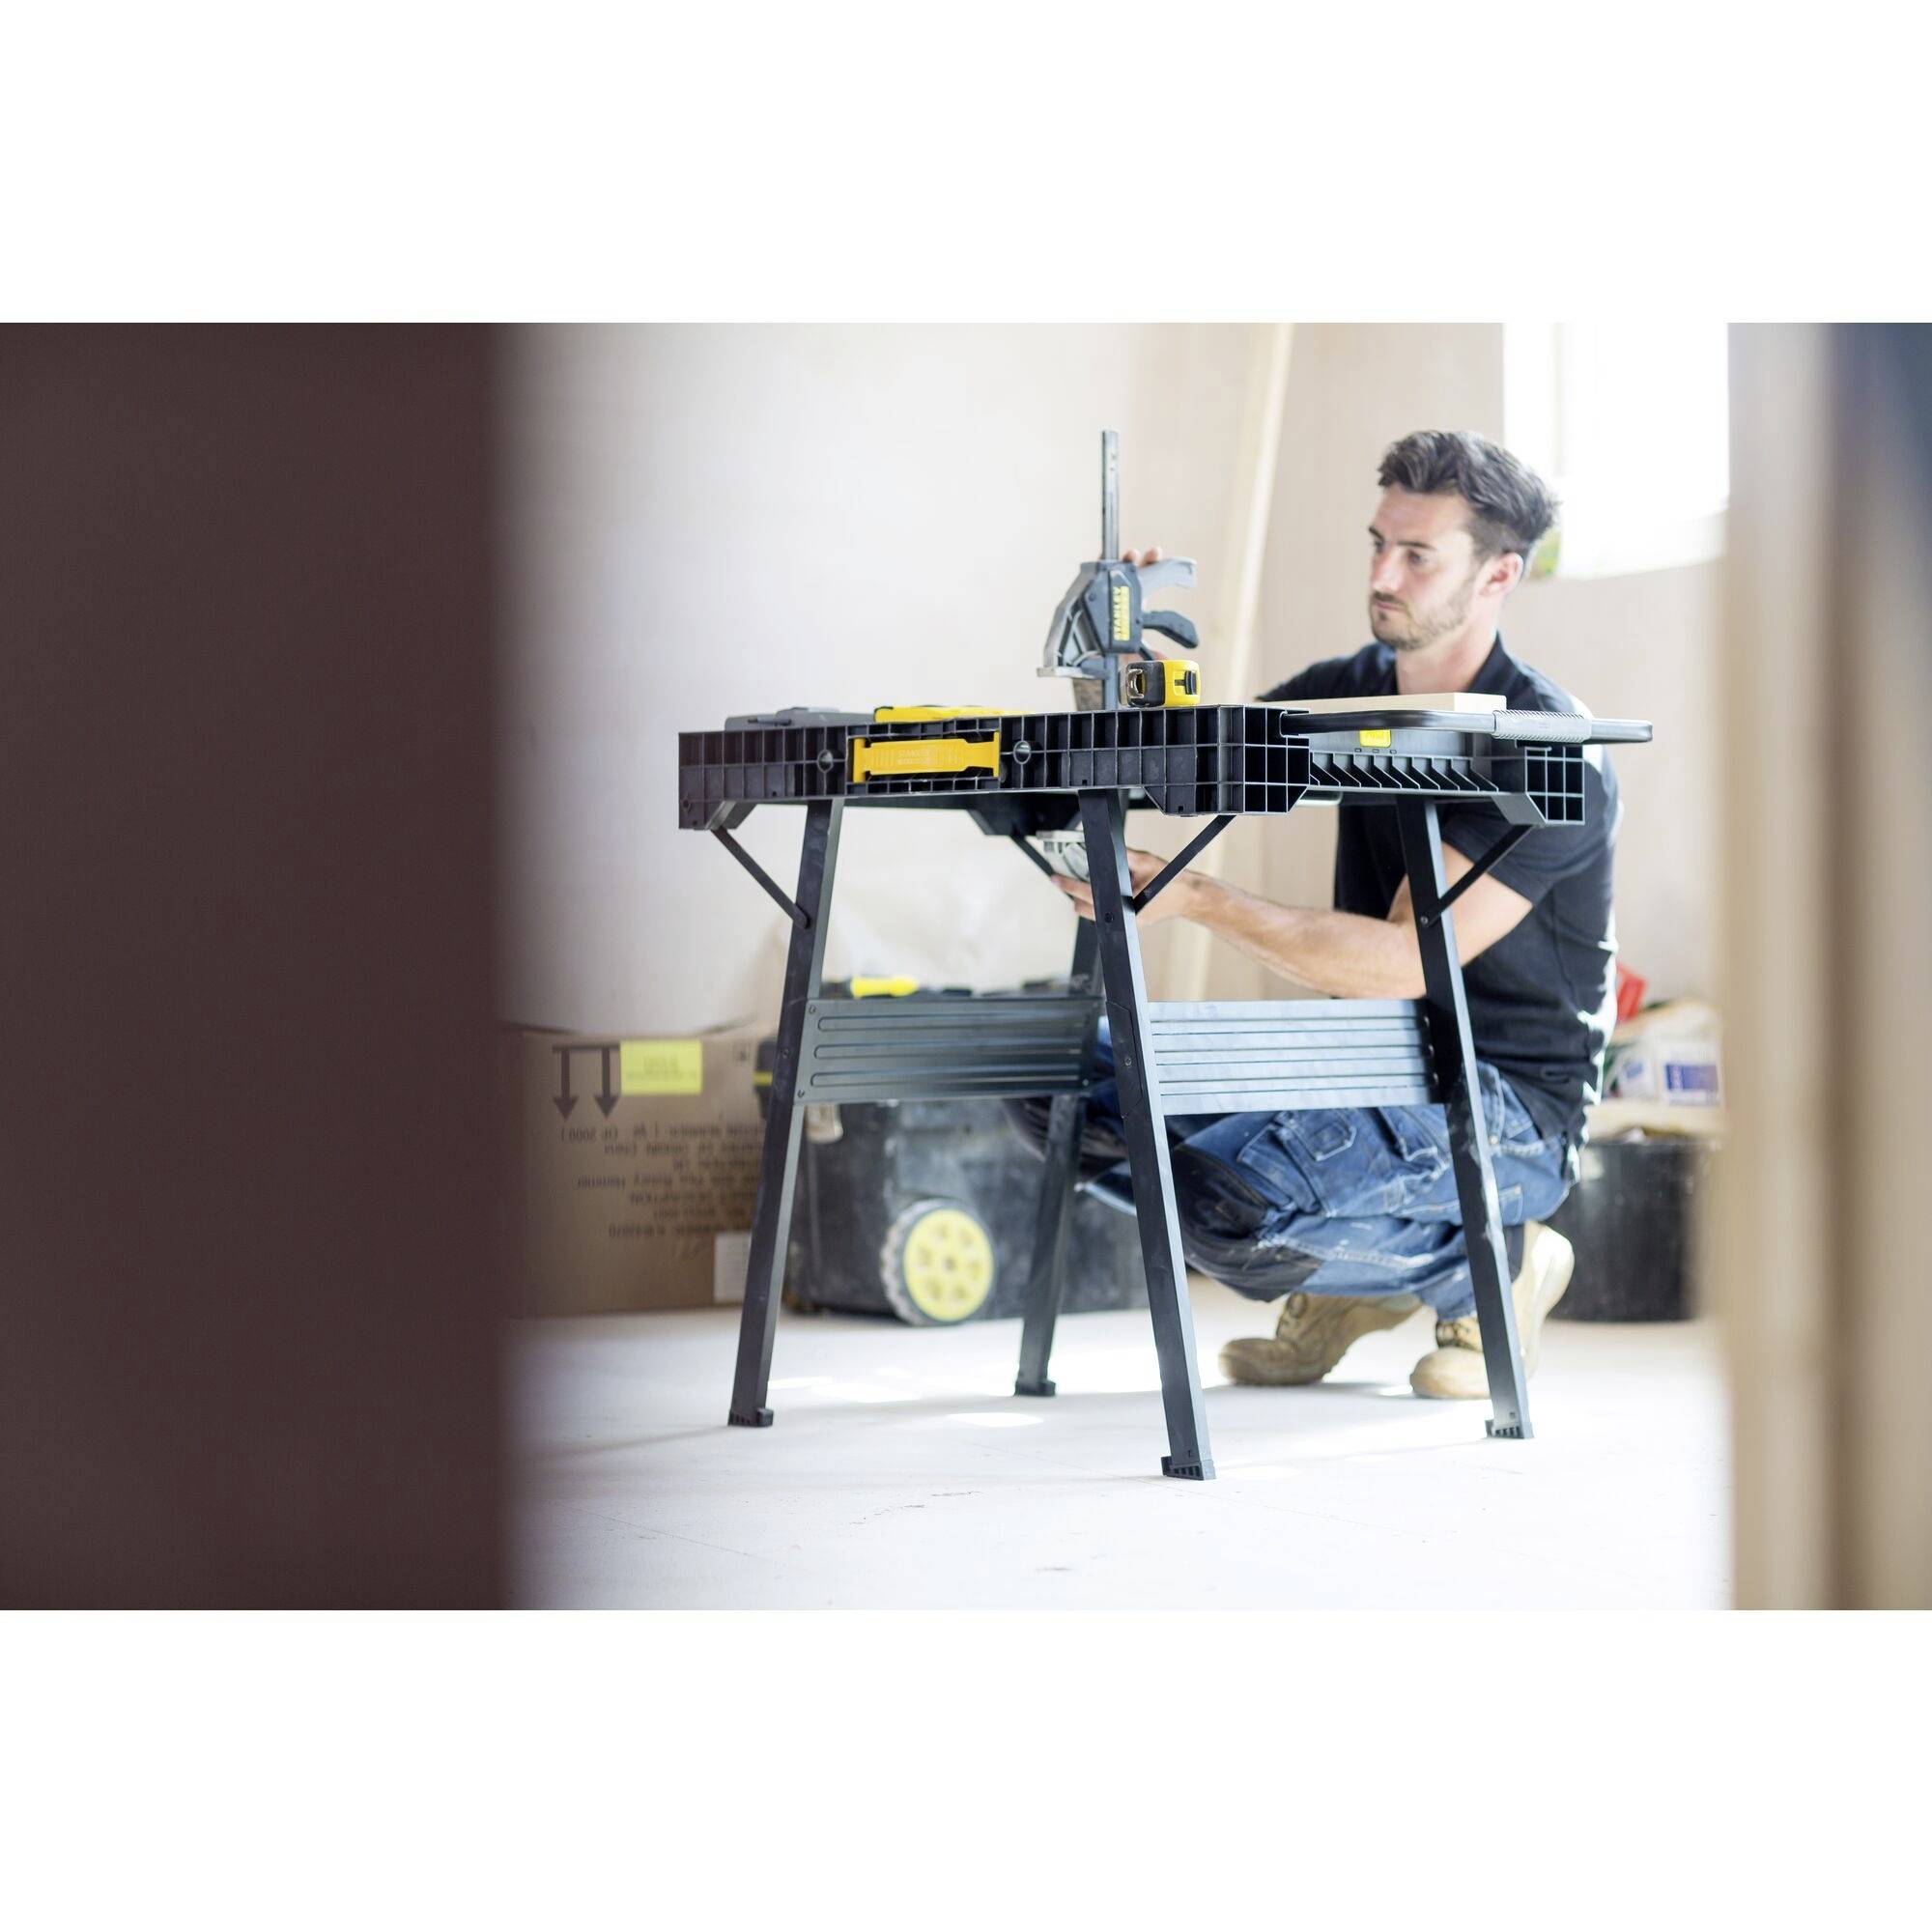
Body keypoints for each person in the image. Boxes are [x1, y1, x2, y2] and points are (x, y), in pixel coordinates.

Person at [1038, 429, 1618, 1398]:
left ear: (1497, 576)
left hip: (1505, 1100)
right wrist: (1116, 664)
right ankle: (1358, 1274)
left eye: (1416, 554)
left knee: (1235, 1195)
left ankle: (1492, 1265)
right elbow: (1165, 768)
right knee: (1057, 1083)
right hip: (1360, 1063)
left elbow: (1399, 961)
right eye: (1375, 543)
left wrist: (1196, 899)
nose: (1381, 573)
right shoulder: (1342, 692)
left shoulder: (1548, 750)